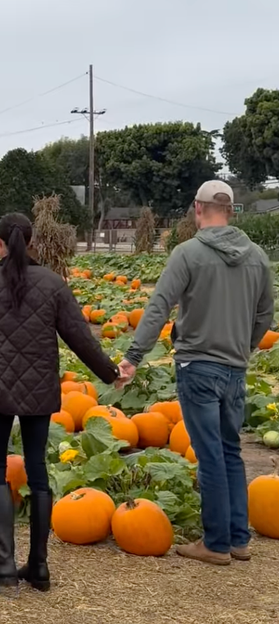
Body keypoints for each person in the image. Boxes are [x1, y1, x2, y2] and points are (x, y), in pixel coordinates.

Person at [0, 212, 120, 593]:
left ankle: (3, 564)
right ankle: (39, 566)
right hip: (39, 388)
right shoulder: (52, 284)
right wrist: (111, 373)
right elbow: (80, 338)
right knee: (38, 471)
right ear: (29, 243)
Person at [118, 181, 275, 566]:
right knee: (231, 450)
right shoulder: (257, 256)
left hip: (198, 367)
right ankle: (239, 539)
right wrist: (246, 347)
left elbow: (158, 307)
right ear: (232, 209)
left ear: (197, 208)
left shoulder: (187, 253)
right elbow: (265, 316)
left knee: (210, 456)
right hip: (236, 369)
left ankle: (217, 543)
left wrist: (134, 355)